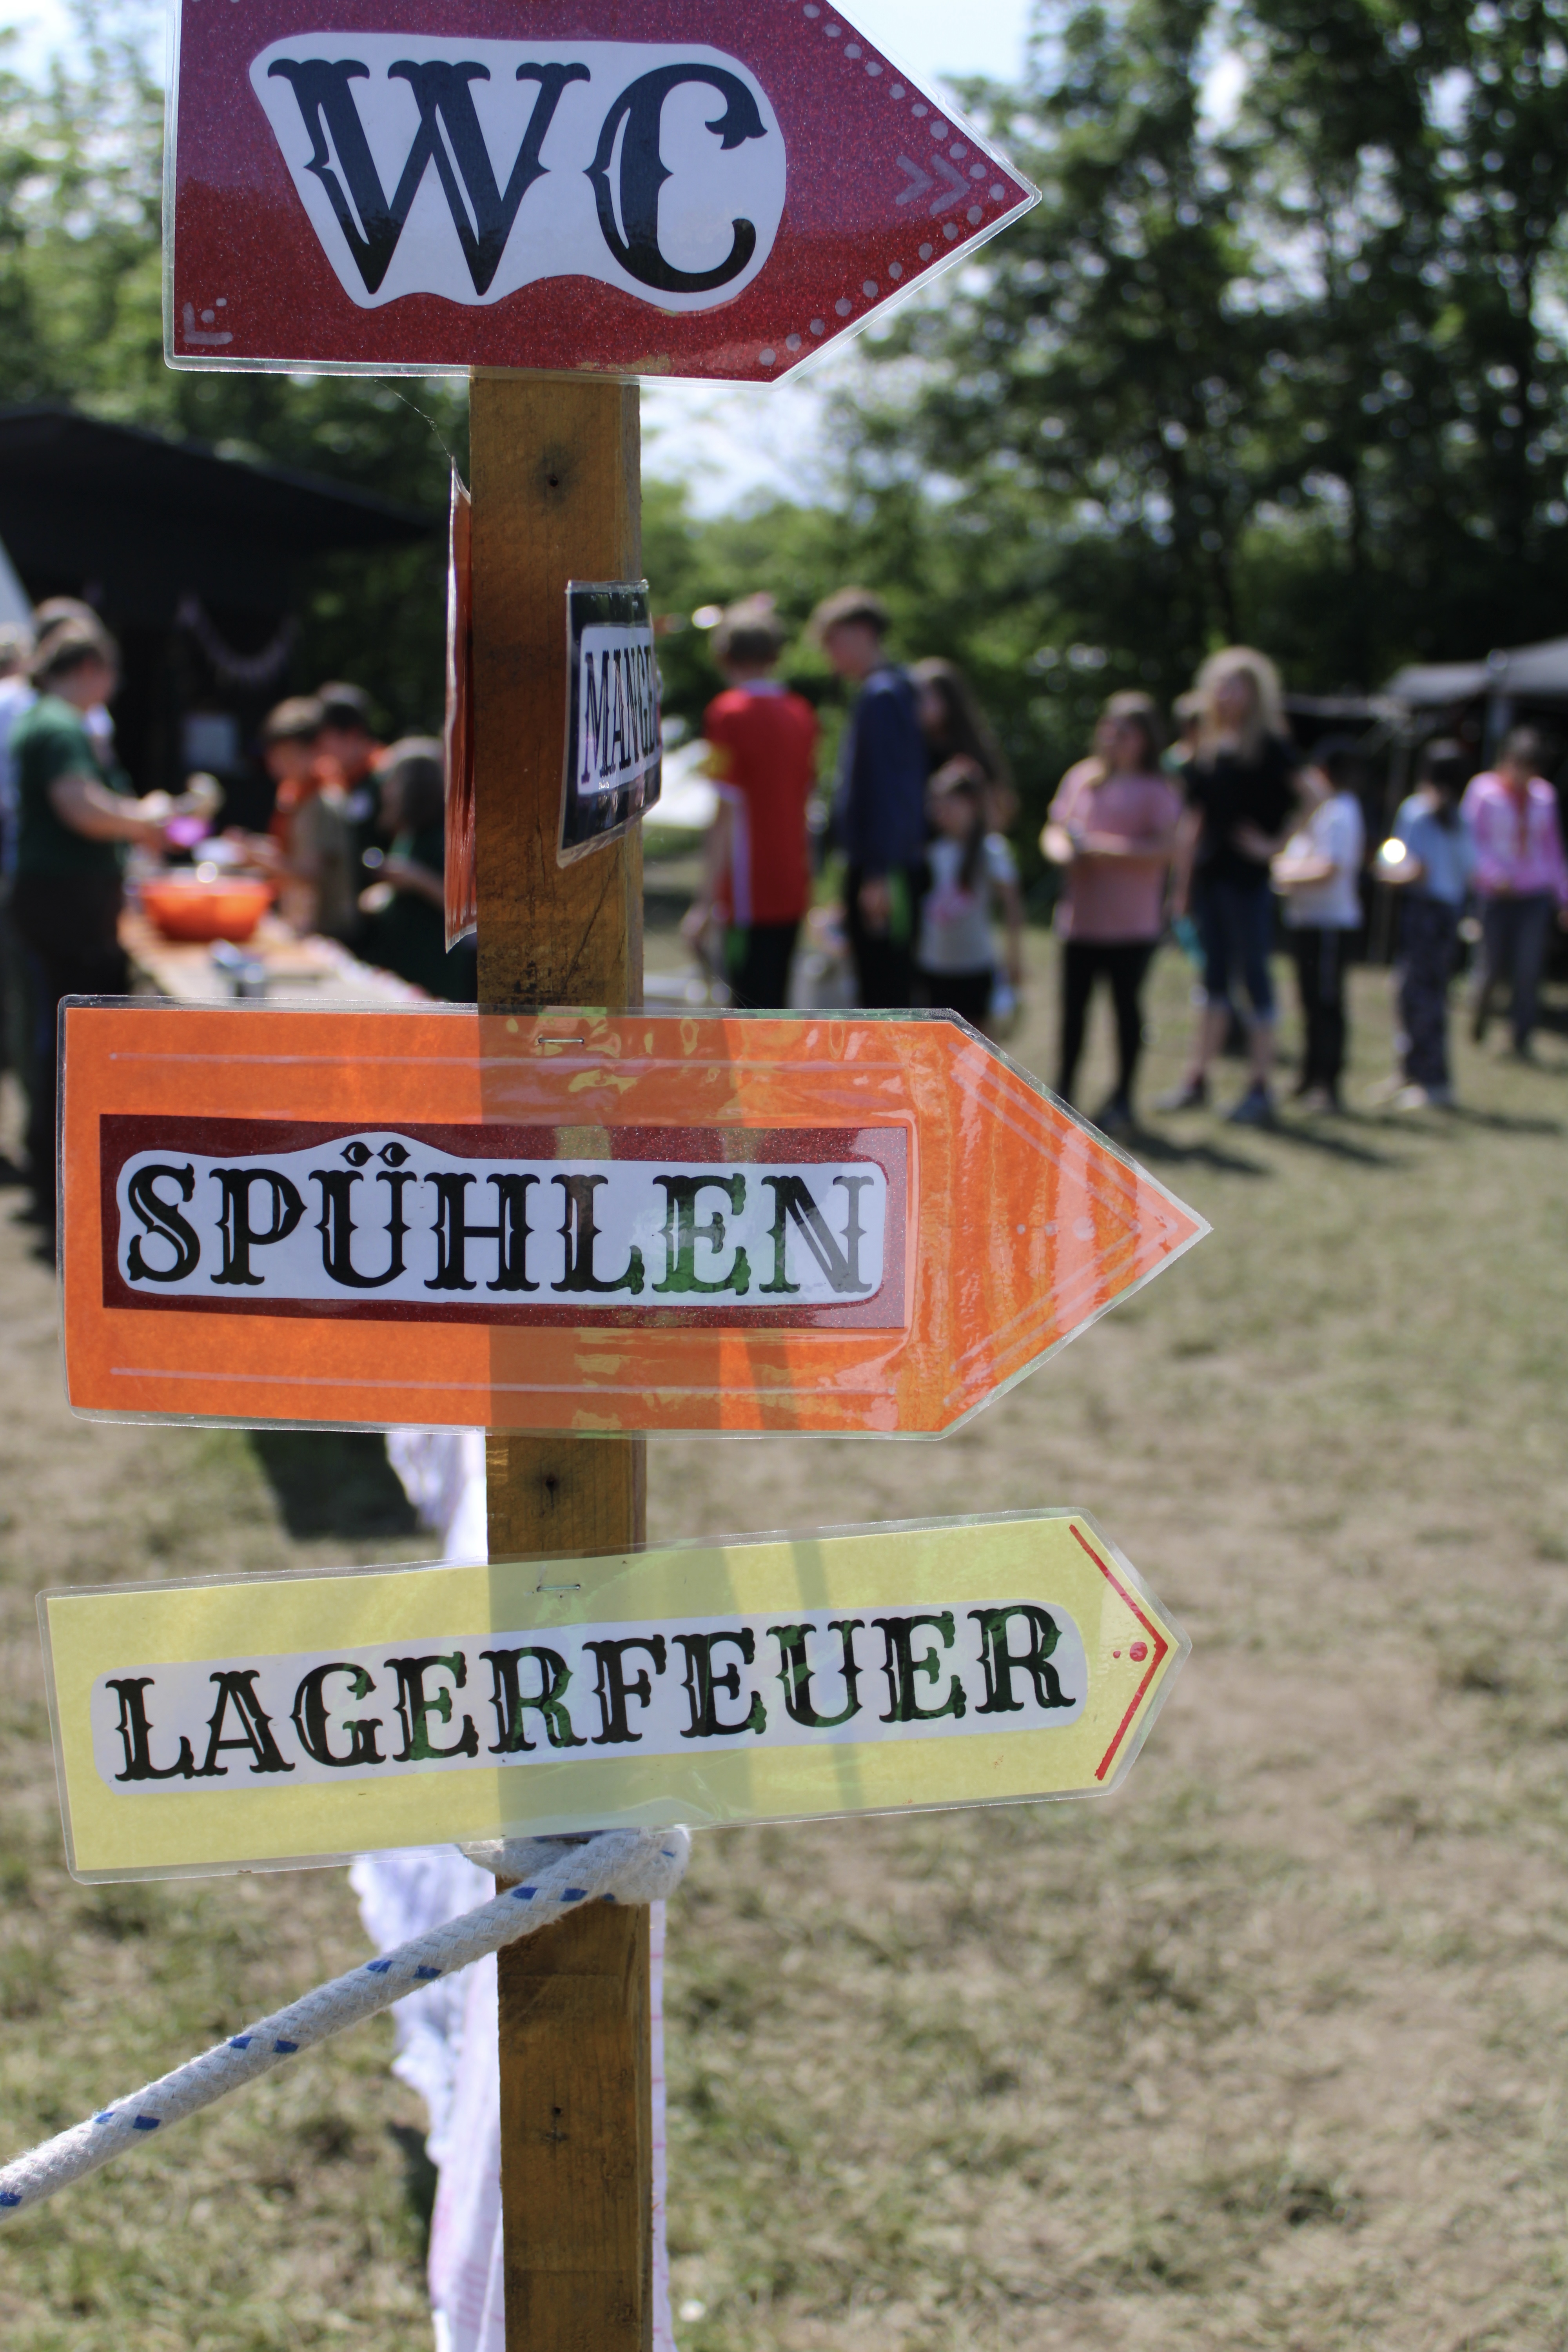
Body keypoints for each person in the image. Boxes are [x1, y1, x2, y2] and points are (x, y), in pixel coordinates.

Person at [7, 623, 176, 1245]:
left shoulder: (46, 719)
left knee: (59, 1044)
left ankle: (57, 1188)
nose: (113, 688)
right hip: (65, 907)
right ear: (89, 669)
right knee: (74, 1049)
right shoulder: (59, 725)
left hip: (57, 903)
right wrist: (144, 818)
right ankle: (65, 1197)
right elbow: (78, 807)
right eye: (110, 675)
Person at [1159, 646, 1302, 1125]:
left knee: (1255, 980)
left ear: (1255, 693)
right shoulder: (1208, 749)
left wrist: (1273, 845)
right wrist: (1181, 887)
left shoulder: (1270, 748)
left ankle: (1260, 1086)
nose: (1224, 694)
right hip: (1210, 881)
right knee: (1212, 981)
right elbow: (1194, 822)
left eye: (1234, 685)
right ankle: (1196, 1080)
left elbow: (1315, 797)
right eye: (1219, 684)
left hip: (1248, 885)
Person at [1042, 691, 1183, 1134]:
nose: (1113, 738)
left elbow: (1168, 848)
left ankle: (1123, 1098)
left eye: (1125, 732)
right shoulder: (1083, 778)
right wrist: (1064, 852)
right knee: (1073, 1014)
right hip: (1081, 920)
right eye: (1109, 729)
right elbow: (1055, 830)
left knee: (1126, 1012)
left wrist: (1105, 849)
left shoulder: (1156, 789)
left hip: (1131, 925)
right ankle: (1063, 1095)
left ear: (1146, 739)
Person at [688, 597, 818, 1009]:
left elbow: (724, 813)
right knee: (779, 1007)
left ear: (723, 657)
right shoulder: (801, 713)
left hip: (747, 894)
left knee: (747, 1014)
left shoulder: (726, 714)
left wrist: (704, 903)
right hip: (792, 884)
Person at [812, 588, 928, 1008]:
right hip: (882, 863)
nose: (829, 656)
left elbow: (887, 790)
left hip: (885, 869)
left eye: (834, 641)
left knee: (884, 995)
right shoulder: (890, 689)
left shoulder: (882, 695)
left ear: (863, 632)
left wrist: (878, 873)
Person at [1374, 739, 1476, 1108]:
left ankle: (1430, 1081)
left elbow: (1413, 868)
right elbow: (1471, 870)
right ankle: (1412, 1072)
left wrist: (1385, 873)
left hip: (1424, 912)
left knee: (1417, 996)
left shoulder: (1417, 811)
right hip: (1448, 915)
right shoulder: (1463, 820)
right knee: (1425, 994)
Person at [1271, 741, 1367, 1112]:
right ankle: (1309, 1075)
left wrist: (1282, 874)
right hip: (1307, 921)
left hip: (1330, 924)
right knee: (1309, 1003)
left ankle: (1328, 1083)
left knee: (1327, 1004)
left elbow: (1329, 867)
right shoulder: (1316, 812)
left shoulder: (1342, 812)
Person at [1461, 726, 1568, 1058]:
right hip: (1496, 893)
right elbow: (1471, 840)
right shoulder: (1483, 791)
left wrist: (1564, 897)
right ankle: (1480, 1018)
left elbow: (1552, 849)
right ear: (1507, 760)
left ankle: (1521, 1039)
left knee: (1528, 968)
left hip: (1533, 893)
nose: (1524, 775)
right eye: (1519, 765)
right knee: (1491, 966)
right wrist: (1492, 875)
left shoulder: (1544, 797)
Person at [359, 737, 477, 1001]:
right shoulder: (409, 834)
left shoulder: (448, 838)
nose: (385, 791)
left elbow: (468, 910)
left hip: (436, 977)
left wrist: (416, 879)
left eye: (393, 781)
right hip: (405, 973)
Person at [915, 760, 1023, 1026]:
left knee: (975, 1043)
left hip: (975, 967)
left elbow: (1012, 906)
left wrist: (1014, 958)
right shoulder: (931, 851)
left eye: (948, 803)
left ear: (972, 804)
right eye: (936, 803)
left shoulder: (991, 850)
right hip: (934, 966)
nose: (939, 811)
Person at [260, 695, 358, 942]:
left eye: (288, 755)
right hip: (302, 926)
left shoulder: (323, 801)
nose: (278, 763)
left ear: (315, 751)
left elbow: (309, 874)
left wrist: (260, 859)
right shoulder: (296, 796)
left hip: (327, 933)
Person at [911, 657, 1017, 833]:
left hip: (968, 844)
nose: (918, 706)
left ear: (948, 699)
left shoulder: (973, 747)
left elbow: (1004, 808)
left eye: (926, 696)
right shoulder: (914, 749)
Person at [316, 681, 385, 936]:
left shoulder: (386, 778)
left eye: (325, 737)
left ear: (352, 735)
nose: (319, 747)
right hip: (346, 916)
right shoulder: (336, 780)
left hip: (379, 920)